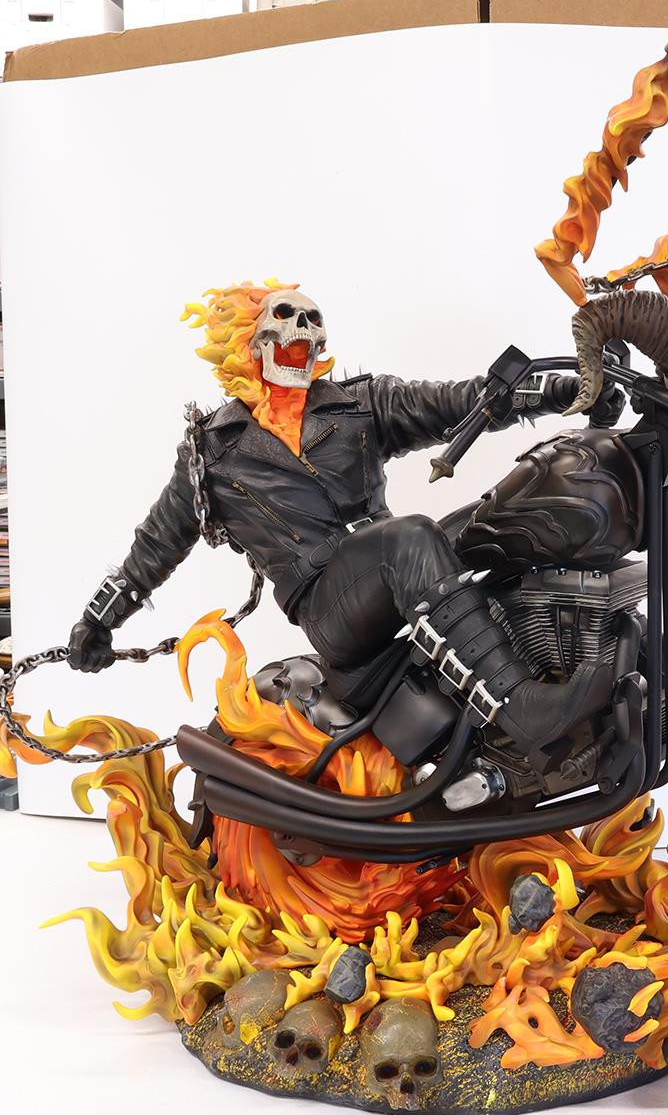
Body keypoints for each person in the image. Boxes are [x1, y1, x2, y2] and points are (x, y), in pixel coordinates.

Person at [67, 282, 623, 760]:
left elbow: (463, 401)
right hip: (330, 606)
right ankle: (518, 705)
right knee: (410, 537)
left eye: (313, 320)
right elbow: (157, 543)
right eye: (286, 317)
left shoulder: (360, 403)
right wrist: (98, 621)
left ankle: (598, 640)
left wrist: (563, 391)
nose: (304, 329)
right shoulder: (211, 455)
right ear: (248, 341)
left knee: (501, 514)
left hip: (392, 569)